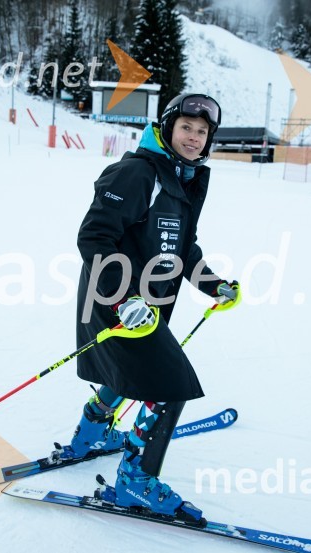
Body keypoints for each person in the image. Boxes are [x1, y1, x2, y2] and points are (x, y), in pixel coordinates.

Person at [58, 93, 240, 522]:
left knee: (131, 372)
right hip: (115, 302)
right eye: (187, 128)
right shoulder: (139, 172)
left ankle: (92, 434)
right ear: (168, 128)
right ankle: (135, 481)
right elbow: (94, 238)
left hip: (140, 307)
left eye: (202, 132)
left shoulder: (181, 179)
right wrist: (124, 300)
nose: (194, 138)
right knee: (169, 384)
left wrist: (213, 284)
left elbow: (182, 247)